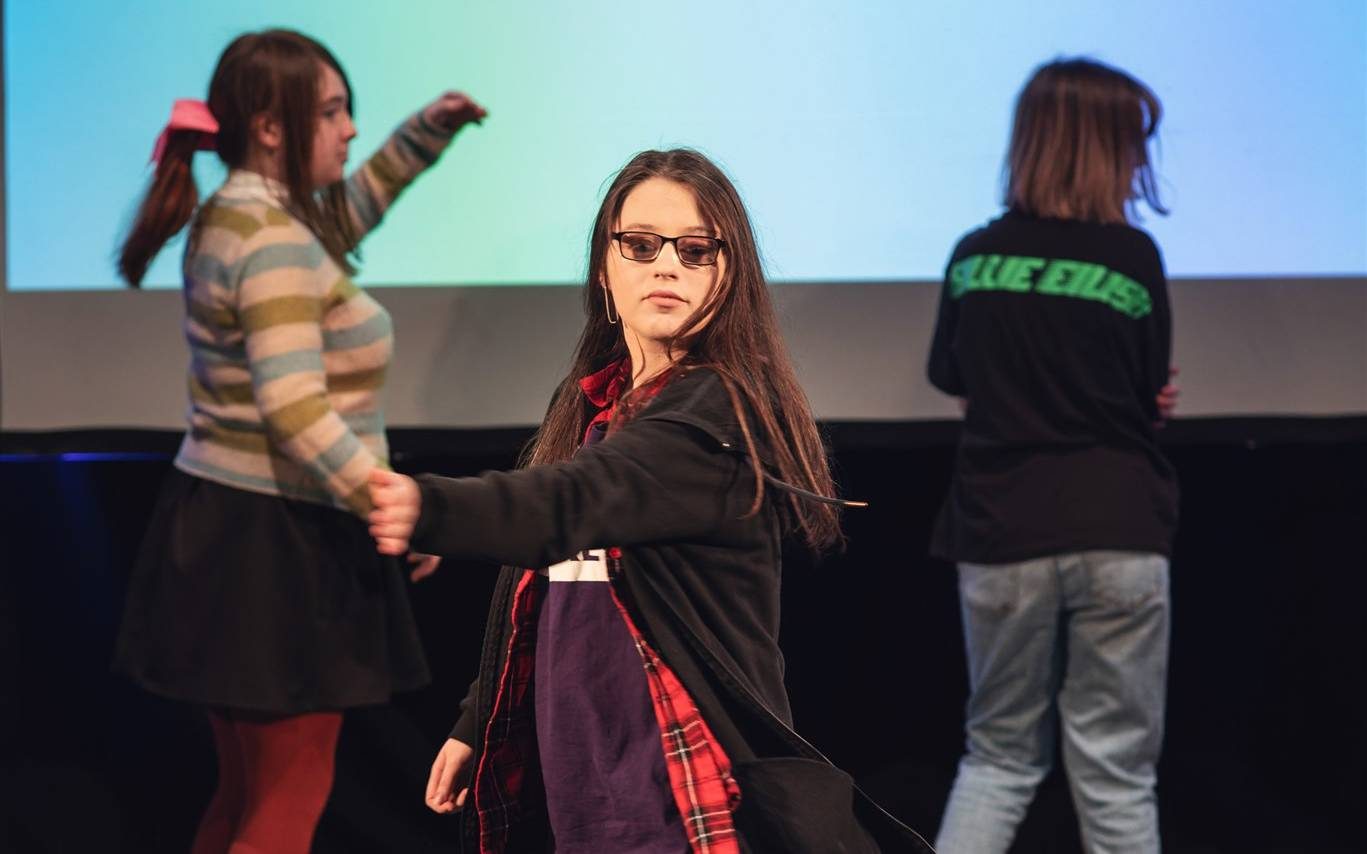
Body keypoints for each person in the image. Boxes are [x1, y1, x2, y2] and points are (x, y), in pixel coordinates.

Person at [368, 149, 932, 853]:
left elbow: (567, 505)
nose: (666, 265)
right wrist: (476, 719)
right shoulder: (590, 413)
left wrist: (427, 508)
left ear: (727, 278)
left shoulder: (716, 412)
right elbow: (537, 589)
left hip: (677, 793)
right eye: (640, 245)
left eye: (695, 251)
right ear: (605, 271)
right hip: (582, 782)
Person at [112, 28, 486, 853]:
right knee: (283, 806)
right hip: (275, 546)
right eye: (331, 110)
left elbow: (347, 210)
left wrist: (426, 132)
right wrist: (391, 500)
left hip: (226, 531)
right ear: (270, 127)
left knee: (244, 798)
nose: (349, 128)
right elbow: (293, 407)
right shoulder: (272, 237)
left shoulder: (245, 214)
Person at [927, 58, 1180, 854]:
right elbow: (1147, 392)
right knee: (1117, 777)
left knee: (997, 759)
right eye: (1135, 142)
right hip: (1118, 527)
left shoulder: (973, 256)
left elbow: (951, 376)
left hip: (1002, 529)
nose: (1143, 161)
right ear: (1102, 147)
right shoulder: (1131, 258)